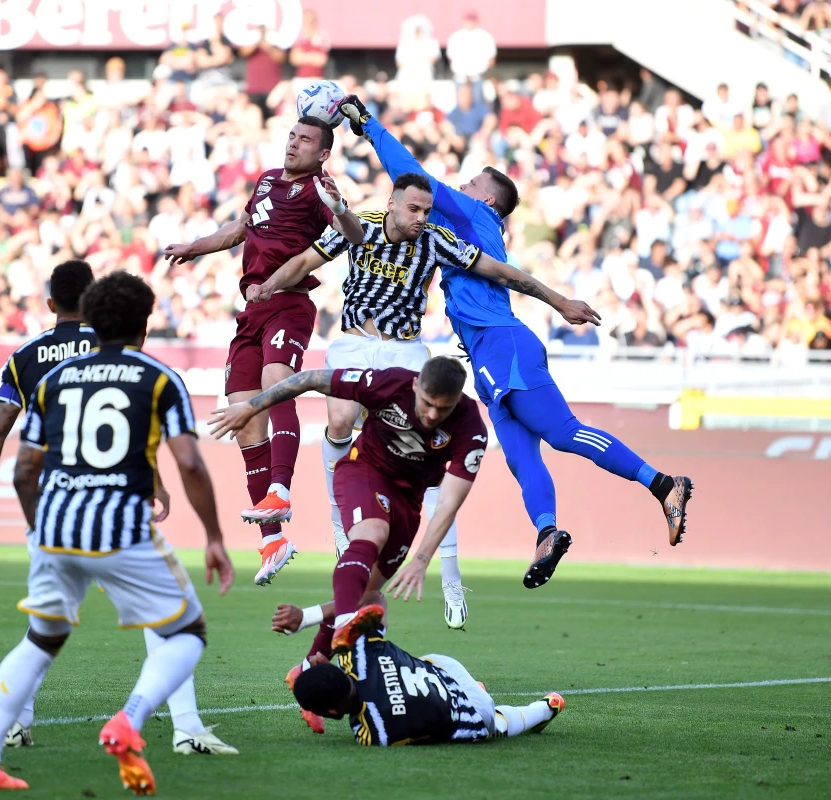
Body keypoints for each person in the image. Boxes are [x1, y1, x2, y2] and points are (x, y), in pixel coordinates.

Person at [339, 96, 694, 588]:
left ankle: (662, 483)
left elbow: (411, 172)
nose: (459, 187)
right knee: (521, 456)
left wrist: (367, 126)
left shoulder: (471, 216)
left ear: (484, 200)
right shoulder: (463, 226)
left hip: (504, 346)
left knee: (561, 431)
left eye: (470, 184)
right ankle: (547, 532)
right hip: (489, 354)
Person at [248, 173, 600, 624]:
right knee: (339, 422)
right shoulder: (363, 225)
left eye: (426, 211)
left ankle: (451, 577)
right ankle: (343, 535)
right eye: (413, 209)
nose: (420, 218)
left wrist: (558, 300)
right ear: (393, 202)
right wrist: (267, 287)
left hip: (405, 350)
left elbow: (503, 272)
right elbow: (302, 263)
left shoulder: (437, 241)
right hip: (356, 341)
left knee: (428, 459)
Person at [0, 272, 234, 794]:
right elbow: (191, 464)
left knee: (41, 639)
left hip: (55, 525)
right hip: (121, 528)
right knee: (186, 633)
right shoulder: (158, 377)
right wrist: (214, 536)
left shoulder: (52, 380)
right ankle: (131, 720)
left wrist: (44, 531)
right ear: (144, 327)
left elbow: (22, 471)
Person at [210, 357, 487, 728]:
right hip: (364, 471)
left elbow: (451, 500)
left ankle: (307, 668)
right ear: (417, 384)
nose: (434, 414)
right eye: (427, 403)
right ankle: (345, 630)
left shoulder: (471, 429)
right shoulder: (388, 383)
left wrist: (422, 558)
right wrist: (250, 406)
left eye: (444, 407)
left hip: (409, 501)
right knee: (371, 535)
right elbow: (309, 378)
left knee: (369, 597)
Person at [162, 117, 364, 587]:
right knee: (244, 417)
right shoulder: (268, 180)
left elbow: (352, 236)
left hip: (287, 304)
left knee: (276, 385)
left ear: (323, 153)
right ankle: (273, 539)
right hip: (251, 307)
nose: (294, 144)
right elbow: (239, 229)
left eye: (306, 140)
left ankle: (279, 489)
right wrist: (195, 247)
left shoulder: (321, 189)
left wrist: (342, 210)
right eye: (292, 136)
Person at [292, 603, 566, 746]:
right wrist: (332, 656)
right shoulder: (359, 654)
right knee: (419, 664)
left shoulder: (373, 734)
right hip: (445, 668)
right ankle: (475, 689)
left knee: (492, 725)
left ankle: (545, 708)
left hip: (474, 710)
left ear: (330, 711)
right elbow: (376, 601)